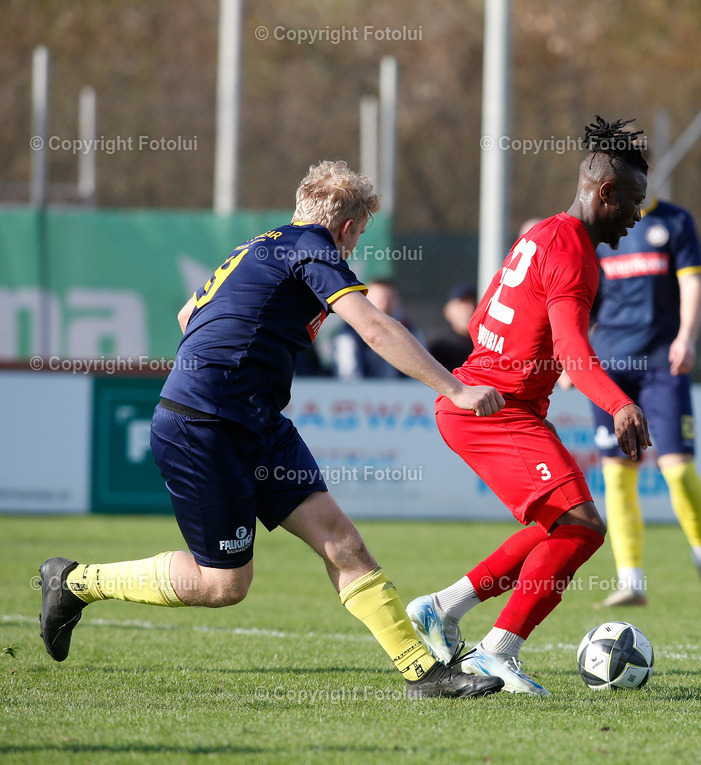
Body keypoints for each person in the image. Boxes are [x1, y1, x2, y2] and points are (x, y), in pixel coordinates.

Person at [39, 160, 505, 699]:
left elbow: (189, 315)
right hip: (205, 424)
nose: (352, 248)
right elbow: (375, 326)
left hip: (255, 419)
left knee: (341, 540)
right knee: (223, 585)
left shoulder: (257, 247)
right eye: (358, 236)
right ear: (350, 228)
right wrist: (454, 389)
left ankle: (424, 674)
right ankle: (74, 582)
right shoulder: (315, 248)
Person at [405, 116, 652, 695]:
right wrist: (618, 405)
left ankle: (443, 607)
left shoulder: (542, 233)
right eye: (633, 201)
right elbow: (571, 348)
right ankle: (498, 650)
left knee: (556, 524)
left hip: (480, 402)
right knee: (584, 528)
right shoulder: (576, 254)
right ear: (605, 192)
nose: (638, 215)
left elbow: (477, 319)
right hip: (496, 411)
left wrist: (517, 355)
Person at [589, 195, 701, 610]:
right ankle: (630, 581)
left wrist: (687, 337)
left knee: (679, 471)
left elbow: (692, 282)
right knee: (617, 476)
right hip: (609, 366)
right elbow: (579, 299)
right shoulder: (597, 228)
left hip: (661, 365)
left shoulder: (674, 220)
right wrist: (572, 358)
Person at [333, 279, 424, 378]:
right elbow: (348, 379)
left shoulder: (410, 331)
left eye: (390, 299)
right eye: (379, 299)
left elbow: (421, 372)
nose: (385, 304)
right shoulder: (349, 335)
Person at [428, 283, 477, 372]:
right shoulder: (440, 347)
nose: (470, 309)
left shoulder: (487, 344)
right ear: (448, 310)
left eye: (473, 303)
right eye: (462, 304)